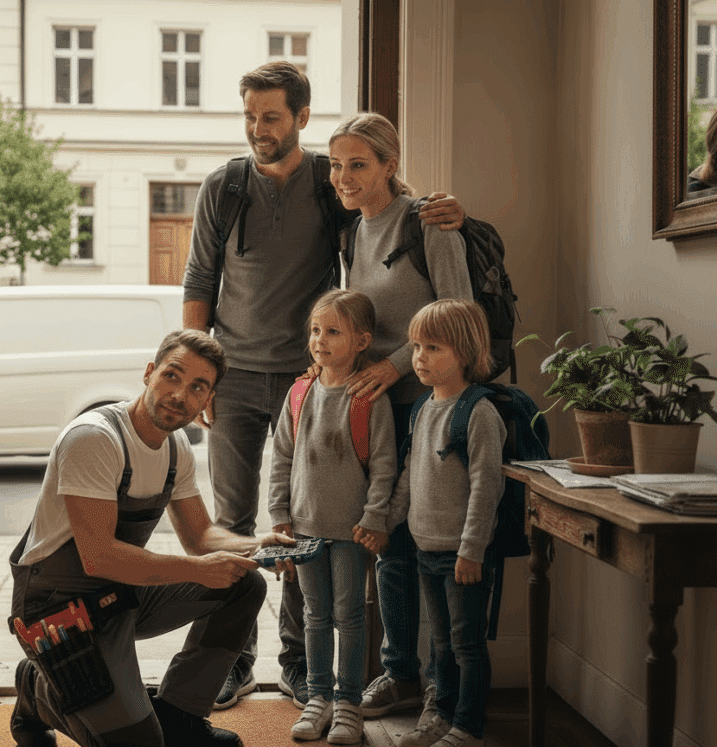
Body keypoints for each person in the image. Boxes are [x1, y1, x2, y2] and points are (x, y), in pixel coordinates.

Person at [181, 60, 467, 712]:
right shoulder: (223, 188)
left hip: (312, 383)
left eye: (272, 116)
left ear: (301, 117)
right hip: (236, 377)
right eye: (251, 115)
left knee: (300, 527)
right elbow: (200, 282)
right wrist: (204, 375)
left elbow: (381, 208)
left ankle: (299, 667)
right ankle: (230, 662)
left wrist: (433, 204)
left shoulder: (324, 182)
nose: (259, 128)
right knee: (231, 523)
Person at [7, 329, 297, 747]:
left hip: (121, 595)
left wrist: (257, 545)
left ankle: (180, 715)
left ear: (207, 399)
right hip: (56, 606)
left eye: (198, 387)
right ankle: (37, 691)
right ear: (149, 373)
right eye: (172, 377)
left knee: (243, 584)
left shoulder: (176, 447)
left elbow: (200, 535)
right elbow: (99, 557)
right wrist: (199, 570)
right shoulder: (95, 438)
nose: (180, 395)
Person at [323, 112, 473, 725]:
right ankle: (400, 673)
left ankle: (444, 689)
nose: (344, 177)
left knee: (432, 549)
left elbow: (460, 320)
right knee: (388, 545)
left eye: (358, 164)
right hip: (379, 413)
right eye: (336, 165)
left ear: (390, 164)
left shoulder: (426, 223)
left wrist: (394, 365)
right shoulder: (354, 233)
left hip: (430, 408)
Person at [268, 290, 398, 744]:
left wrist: (376, 517)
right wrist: (279, 515)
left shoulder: (368, 398)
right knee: (313, 615)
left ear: (362, 341)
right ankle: (318, 698)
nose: (319, 341)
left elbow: (384, 465)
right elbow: (281, 456)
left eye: (333, 332)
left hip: (351, 532)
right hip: (303, 529)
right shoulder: (300, 392)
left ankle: (348, 704)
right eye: (315, 331)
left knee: (351, 615)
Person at [386, 299, 506, 747]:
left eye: (433, 347)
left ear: (466, 351)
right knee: (438, 643)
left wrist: (472, 550)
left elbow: (486, 488)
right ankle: (440, 715)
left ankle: (469, 726)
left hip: (462, 555)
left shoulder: (478, 413)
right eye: (416, 346)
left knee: (467, 646)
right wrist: (387, 521)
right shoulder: (421, 409)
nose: (419, 357)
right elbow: (408, 478)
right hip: (425, 548)